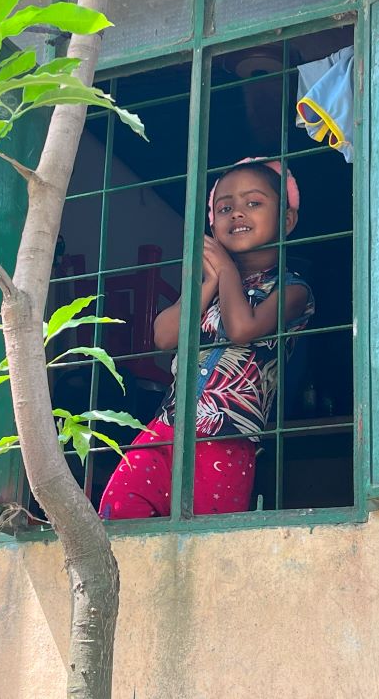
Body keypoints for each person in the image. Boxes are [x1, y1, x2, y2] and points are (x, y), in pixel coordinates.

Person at [98, 158, 315, 519]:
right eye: (225, 207)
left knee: (203, 533)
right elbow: (163, 336)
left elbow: (242, 328)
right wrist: (210, 281)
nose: (238, 214)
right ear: (213, 223)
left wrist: (226, 269)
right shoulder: (209, 288)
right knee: (118, 510)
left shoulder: (293, 290)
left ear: (287, 220)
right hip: (166, 427)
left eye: (253, 203)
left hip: (227, 437)